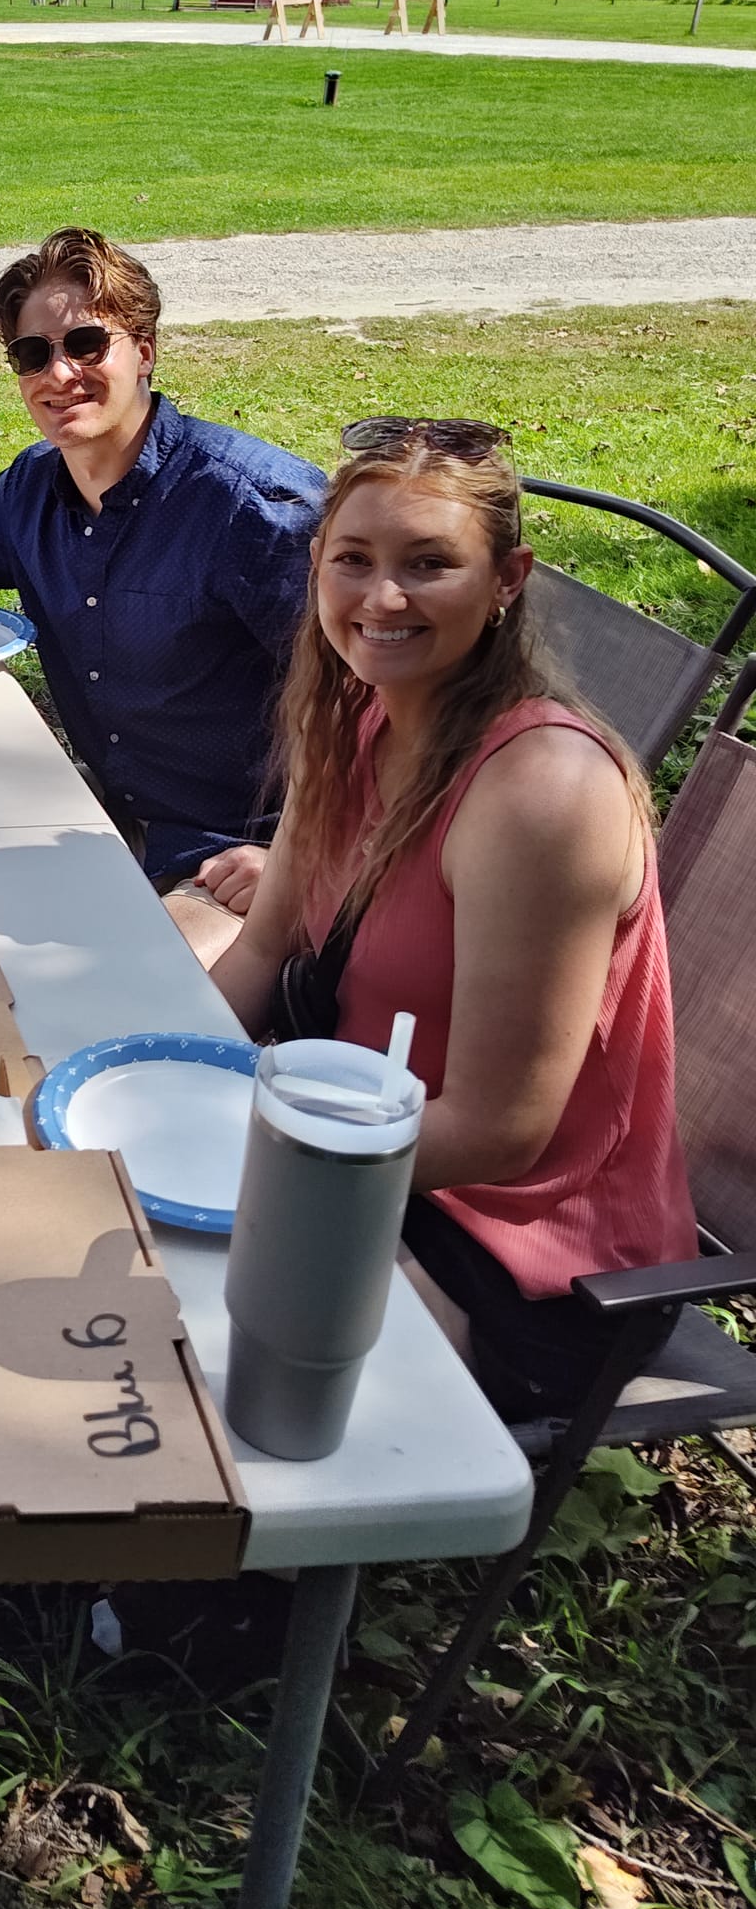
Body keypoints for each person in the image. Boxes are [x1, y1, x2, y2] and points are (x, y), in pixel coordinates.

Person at [209, 418, 695, 1421]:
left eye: (427, 564)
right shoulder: (348, 710)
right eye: (353, 560)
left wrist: (239, 1156)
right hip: (355, 1150)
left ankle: (210, 1579)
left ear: (506, 577)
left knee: (207, 1364)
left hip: (522, 1262)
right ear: (316, 565)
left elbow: (499, 1131)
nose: (379, 599)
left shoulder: (541, 794)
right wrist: (165, 1088)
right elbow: (263, 945)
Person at [0, 228, 325, 897]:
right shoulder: (36, 487)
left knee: (132, 992)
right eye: (33, 354)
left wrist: (303, 858)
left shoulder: (253, 507)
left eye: (86, 344)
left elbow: (378, 708)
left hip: (236, 856)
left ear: (144, 352)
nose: (59, 374)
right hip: (95, 820)